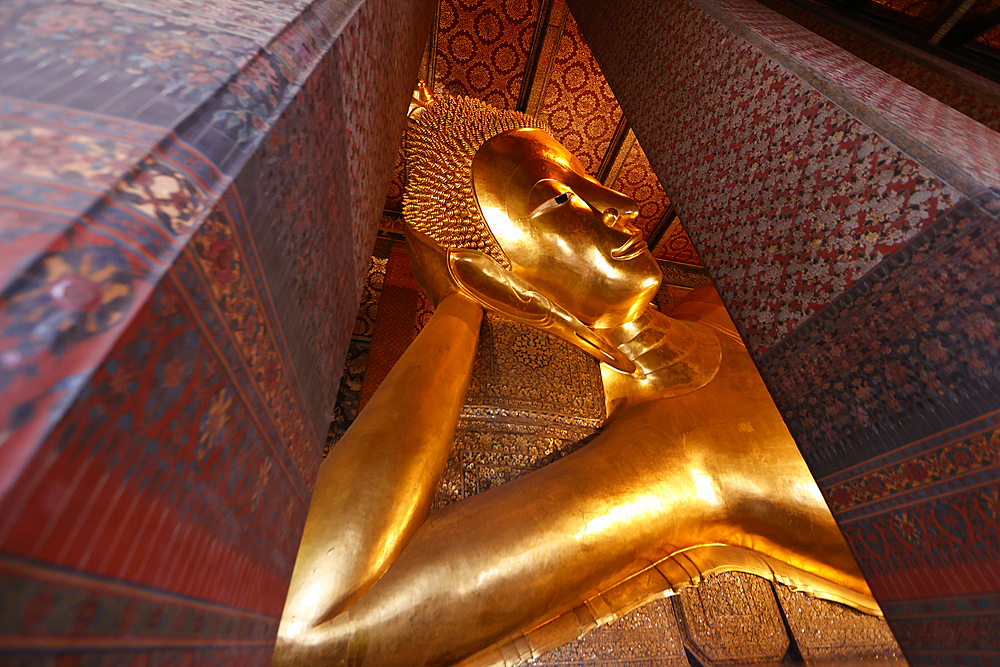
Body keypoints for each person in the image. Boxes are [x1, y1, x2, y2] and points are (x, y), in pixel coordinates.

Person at [271, 93, 878, 667]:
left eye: (585, 179)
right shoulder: (674, 457)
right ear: (492, 276)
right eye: (560, 200)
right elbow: (315, 623)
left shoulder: (720, 306)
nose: (620, 202)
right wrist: (459, 312)